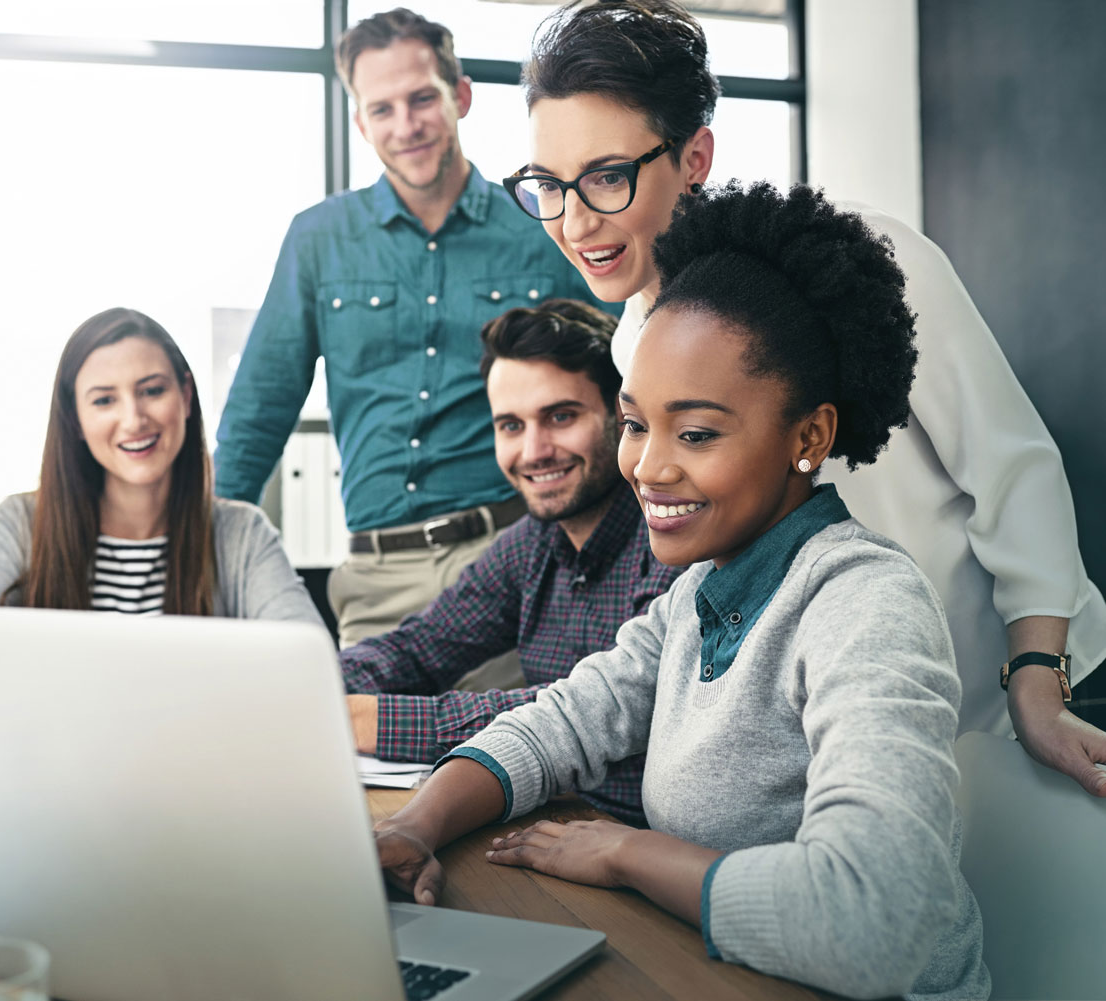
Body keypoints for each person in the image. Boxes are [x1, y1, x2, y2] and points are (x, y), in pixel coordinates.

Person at [376, 183, 989, 1001]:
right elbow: (562, 719)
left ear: (809, 436)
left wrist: (628, 854)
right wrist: (416, 825)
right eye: (636, 423)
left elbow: (872, 922)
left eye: (695, 433)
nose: (648, 467)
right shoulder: (698, 592)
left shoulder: (865, 601)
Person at [503, 0, 1106, 794]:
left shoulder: (868, 262)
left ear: (694, 159)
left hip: (1023, 699)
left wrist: (1035, 682)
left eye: (608, 177)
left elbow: (1014, 473)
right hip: (862, 732)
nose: (576, 220)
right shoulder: (633, 344)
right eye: (550, 183)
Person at [213, 8, 596, 661]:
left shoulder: (542, 225)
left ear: (462, 96)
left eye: (422, 99)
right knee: (359, 757)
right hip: (374, 580)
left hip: (514, 562)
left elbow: (615, 380)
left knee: (494, 757)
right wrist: (205, 568)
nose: (406, 125)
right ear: (360, 123)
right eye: (381, 109)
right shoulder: (318, 240)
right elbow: (256, 417)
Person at [343, 298, 679, 824]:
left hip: (640, 841)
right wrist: (315, 691)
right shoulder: (532, 542)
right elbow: (418, 649)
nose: (534, 451)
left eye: (561, 416)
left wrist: (368, 718)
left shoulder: (670, 533)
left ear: (623, 415)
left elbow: (585, 709)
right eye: (511, 426)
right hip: (549, 824)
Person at [0, 307, 323, 626]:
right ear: (75, 419)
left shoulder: (242, 535)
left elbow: (313, 671)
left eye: (152, 391)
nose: (133, 419)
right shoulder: (17, 526)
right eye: (104, 400)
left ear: (186, 396)